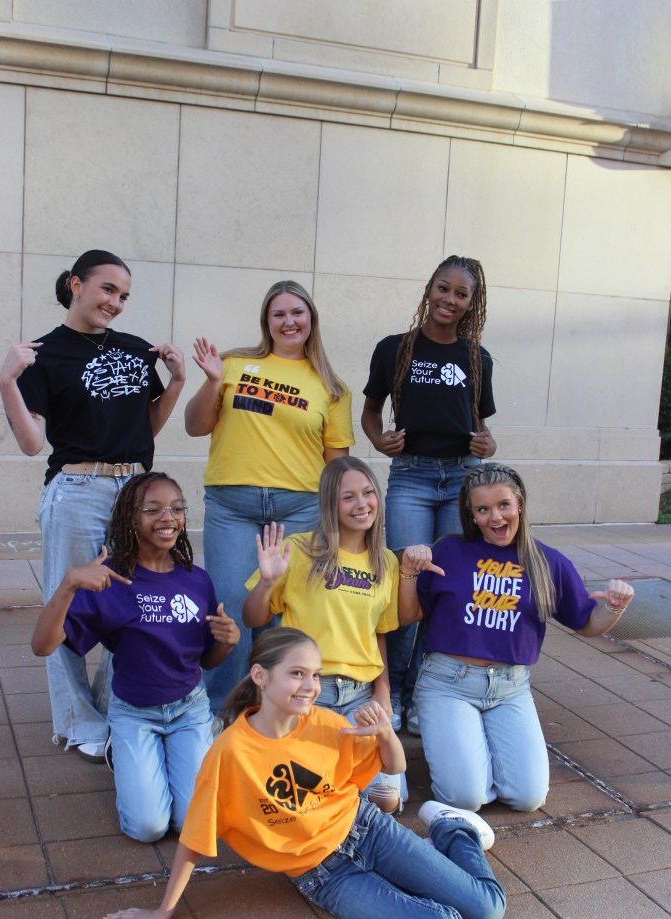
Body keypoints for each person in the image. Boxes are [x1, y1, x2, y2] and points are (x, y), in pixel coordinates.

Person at [102, 628, 506, 919]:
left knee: (488, 910)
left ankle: (453, 830)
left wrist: (385, 732)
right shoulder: (229, 754)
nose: (310, 686)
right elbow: (193, 840)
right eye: (297, 673)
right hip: (326, 874)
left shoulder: (326, 722)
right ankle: (434, 868)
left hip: (368, 830)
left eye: (315, 675)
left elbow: (395, 767)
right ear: (260, 676)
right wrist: (163, 910)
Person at [0, 249, 186, 761]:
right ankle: (79, 722)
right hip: (78, 490)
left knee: (134, 600)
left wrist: (176, 382)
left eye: (123, 296)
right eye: (107, 289)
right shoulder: (44, 355)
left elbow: (146, 427)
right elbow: (32, 443)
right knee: (69, 603)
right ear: (76, 285)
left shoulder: (134, 349)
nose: (116, 302)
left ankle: (108, 706)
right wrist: (7, 381)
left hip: (135, 490)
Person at [398, 462, 636, 813]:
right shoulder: (450, 550)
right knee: (464, 798)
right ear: (472, 514)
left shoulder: (546, 562)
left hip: (510, 689)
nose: (495, 517)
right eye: (483, 509)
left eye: (503, 505)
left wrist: (615, 607)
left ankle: (471, 749)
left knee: (528, 798)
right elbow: (409, 616)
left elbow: (586, 622)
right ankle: (461, 753)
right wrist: (407, 572)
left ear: (519, 504)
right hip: (448, 684)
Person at [31, 472, 240, 842]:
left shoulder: (196, 580)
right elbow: (42, 646)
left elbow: (207, 661)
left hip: (188, 710)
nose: (168, 517)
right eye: (153, 509)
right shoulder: (110, 579)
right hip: (134, 713)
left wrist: (227, 642)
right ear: (131, 518)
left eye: (177, 508)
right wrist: (69, 584)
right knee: (148, 828)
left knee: (191, 821)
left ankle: (177, 748)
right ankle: (123, 748)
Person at [184, 280, 354, 712]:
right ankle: (222, 709)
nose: (288, 321)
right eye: (279, 314)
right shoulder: (233, 364)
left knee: (278, 610)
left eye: (297, 312)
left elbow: (337, 467)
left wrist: (342, 527)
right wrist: (213, 382)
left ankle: (274, 708)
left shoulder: (332, 387)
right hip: (231, 506)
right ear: (267, 321)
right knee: (231, 607)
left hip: (299, 509)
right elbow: (195, 426)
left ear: (311, 319)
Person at [362, 255, 497, 736]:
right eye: (444, 288)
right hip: (412, 478)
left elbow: (481, 428)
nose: (450, 299)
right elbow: (371, 412)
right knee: (406, 584)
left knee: (442, 588)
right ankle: (393, 691)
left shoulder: (477, 359)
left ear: (471, 303)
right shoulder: (394, 349)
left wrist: (488, 445)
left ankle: (421, 691)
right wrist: (379, 440)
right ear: (430, 289)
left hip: (462, 480)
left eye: (461, 294)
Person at [242, 456, 405, 812]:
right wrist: (267, 582)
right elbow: (252, 618)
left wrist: (383, 693)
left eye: (368, 493)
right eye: (348, 497)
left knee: (386, 801)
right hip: (306, 694)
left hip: (360, 697)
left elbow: (378, 634)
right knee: (307, 801)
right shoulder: (300, 549)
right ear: (330, 503)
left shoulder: (386, 562)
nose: (361, 504)